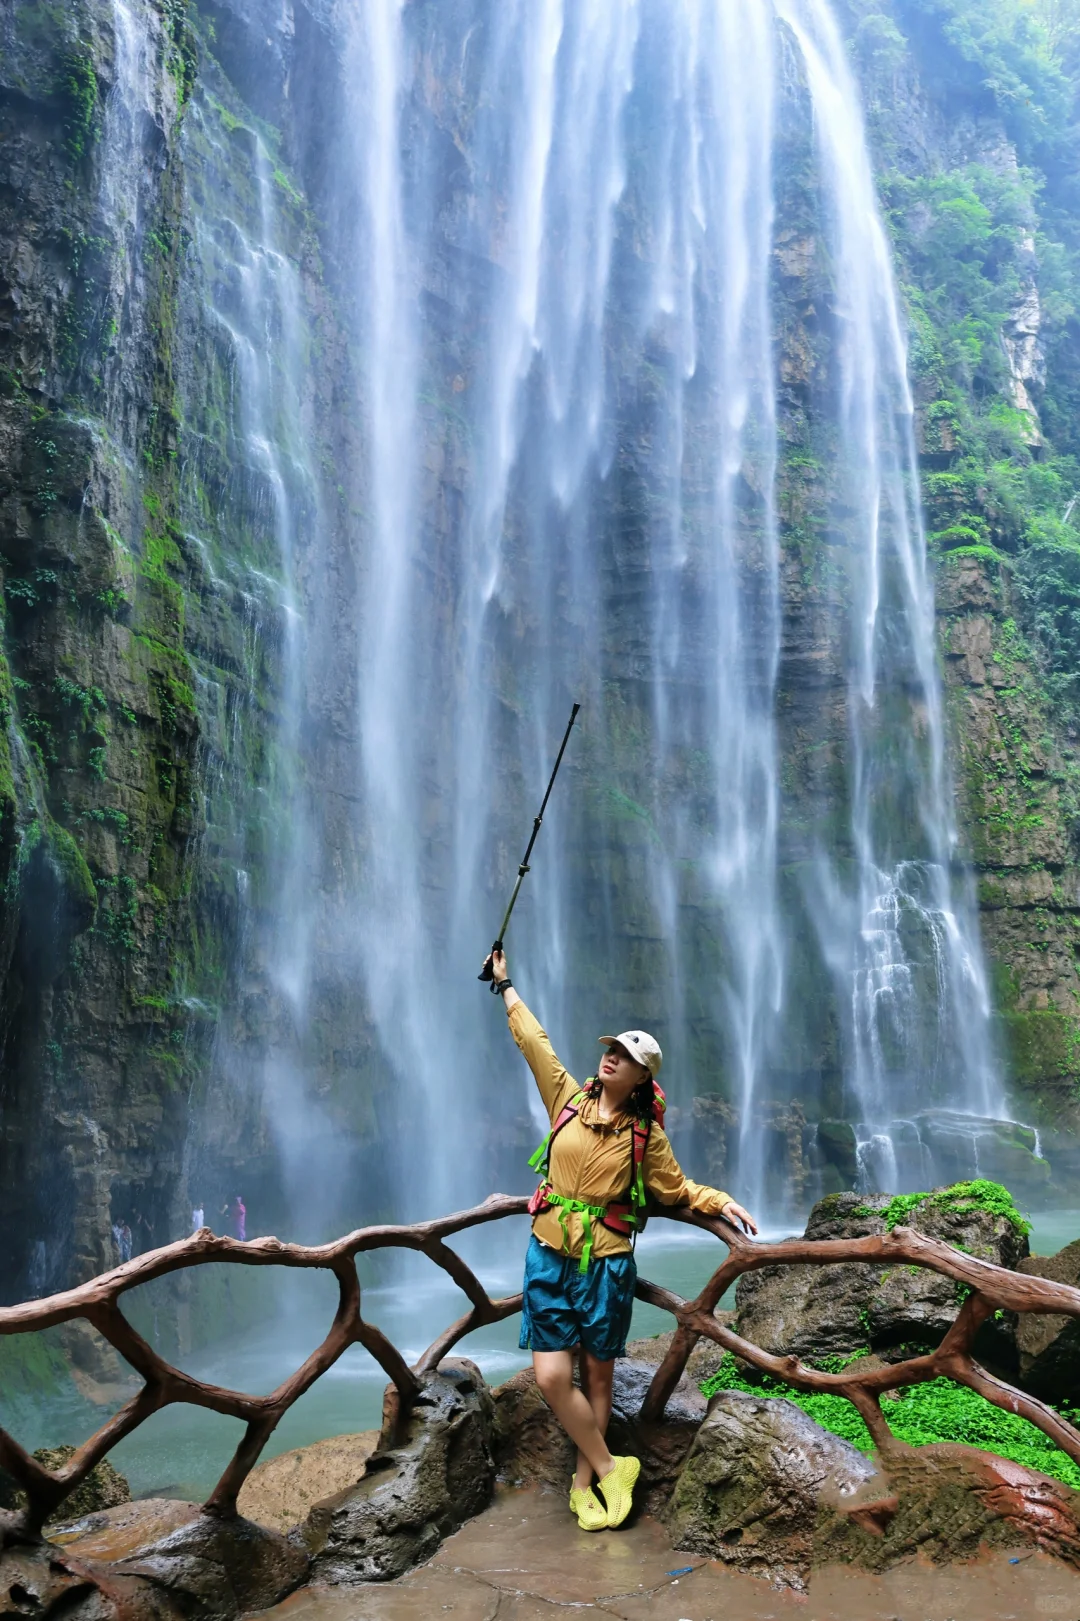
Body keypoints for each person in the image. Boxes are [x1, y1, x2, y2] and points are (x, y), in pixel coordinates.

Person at [483, 947, 757, 1534]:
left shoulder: (644, 1138)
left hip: (606, 1263)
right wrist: (505, 985)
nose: (611, 1058)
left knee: (598, 1376)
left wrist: (719, 1201)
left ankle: (584, 1488)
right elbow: (536, 1044)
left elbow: (677, 1189)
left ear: (642, 1076)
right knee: (554, 1376)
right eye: (610, 1050)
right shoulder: (566, 1100)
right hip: (547, 1252)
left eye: (625, 1056)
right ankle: (614, 1467)